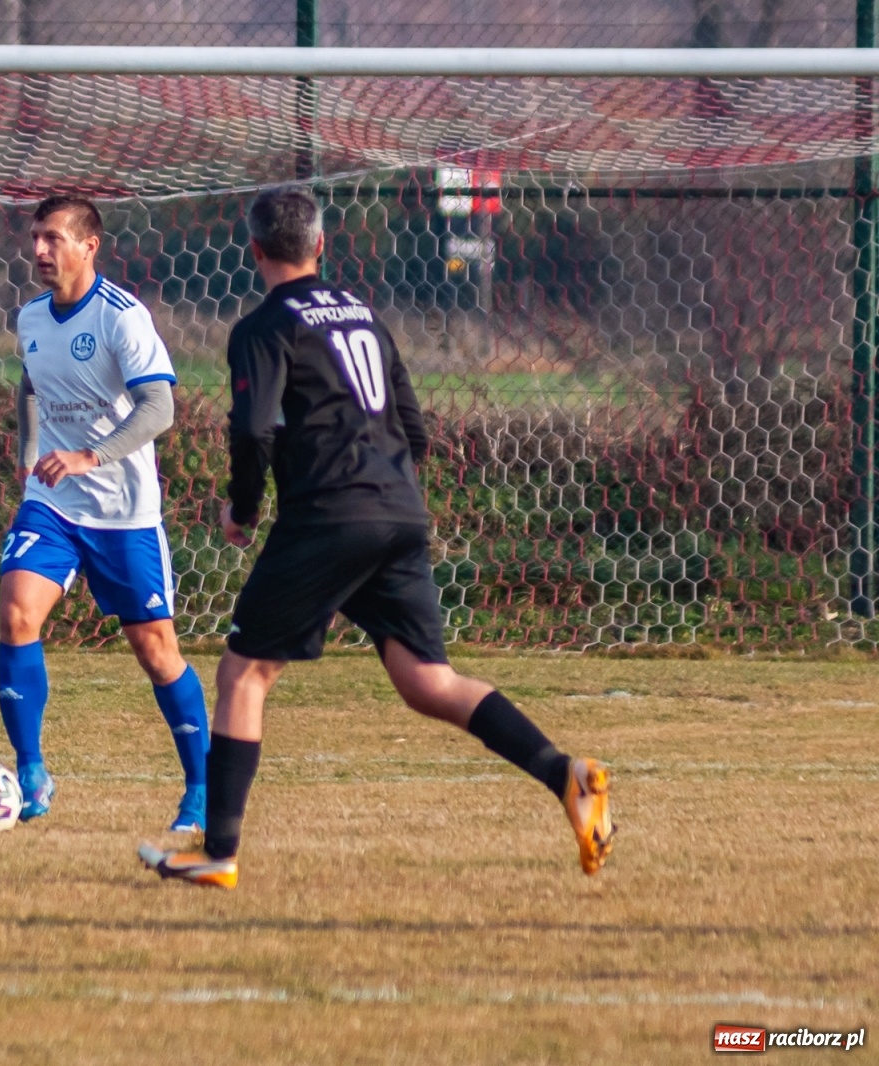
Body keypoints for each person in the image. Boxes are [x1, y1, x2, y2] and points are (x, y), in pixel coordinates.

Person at [138, 188, 615, 889]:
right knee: (427, 682)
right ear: (321, 246)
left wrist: (241, 508)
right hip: (397, 508)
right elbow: (414, 426)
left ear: (256, 252)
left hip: (329, 516)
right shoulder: (364, 313)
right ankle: (564, 774)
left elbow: (255, 428)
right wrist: (384, 485)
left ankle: (219, 852)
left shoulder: (263, 326)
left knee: (244, 671)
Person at [0, 195, 210, 831]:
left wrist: (91, 455)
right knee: (15, 612)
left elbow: (159, 408)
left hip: (124, 513)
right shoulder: (31, 316)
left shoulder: (123, 318)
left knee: (156, 651)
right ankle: (31, 770)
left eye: (54, 239)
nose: (39, 250)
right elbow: (33, 382)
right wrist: (30, 453)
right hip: (53, 504)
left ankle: (199, 789)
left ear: (90, 246)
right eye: (36, 238)